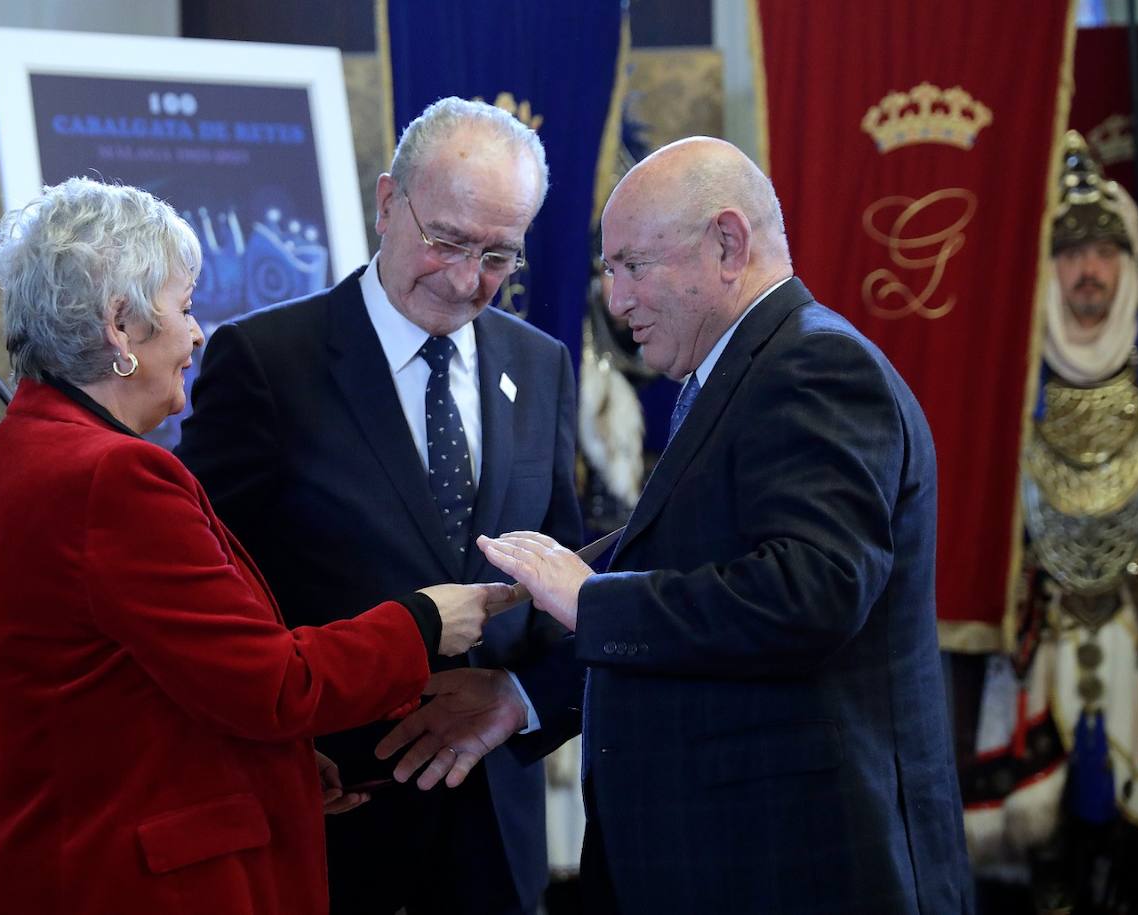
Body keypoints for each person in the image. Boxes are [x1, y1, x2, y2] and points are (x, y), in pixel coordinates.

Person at [378, 137, 973, 914]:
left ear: (728, 242)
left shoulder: (817, 367)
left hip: (806, 868)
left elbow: (811, 594)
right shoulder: (743, 371)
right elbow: (701, 580)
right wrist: (523, 693)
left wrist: (589, 600)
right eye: (607, 271)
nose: (616, 303)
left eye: (630, 266)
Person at [0, 177, 510, 915]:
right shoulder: (114, 477)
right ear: (120, 324)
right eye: (184, 308)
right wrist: (424, 621)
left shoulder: (29, 445)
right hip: (125, 880)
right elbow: (275, 685)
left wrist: (266, 768)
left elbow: (130, 688)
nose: (197, 334)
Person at [176, 97, 582, 915]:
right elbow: (206, 600)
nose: (470, 281)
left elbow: (567, 581)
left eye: (500, 255)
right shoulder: (265, 363)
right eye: (448, 242)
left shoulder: (539, 365)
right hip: (332, 814)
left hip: (496, 828)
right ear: (388, 202)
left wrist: (519, 696)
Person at [961, 131, 1138, 912]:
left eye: (1106, 252)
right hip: (1032, 646)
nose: (1089, 270)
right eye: (1073, 253)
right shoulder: (1009, 380)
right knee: (1041, 866)